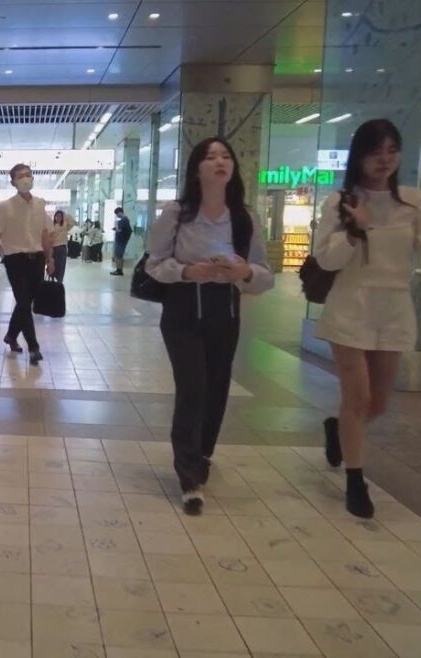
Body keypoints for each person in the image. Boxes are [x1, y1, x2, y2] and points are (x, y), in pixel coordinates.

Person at [312, 119, 421, 519]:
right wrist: (355, 231)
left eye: (391, 150)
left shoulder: (414, 203)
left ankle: (338, 429)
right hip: (350, 306)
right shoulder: (340, 202)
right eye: (375, 151)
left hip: (394, 307)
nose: (384, 159)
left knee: (379, 403)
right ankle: (355, 480)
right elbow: (326, 258)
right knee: (359, 397)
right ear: (360, 156)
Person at [145, 137, 274, 516]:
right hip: (183, 309)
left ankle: (201, 456)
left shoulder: (244, 216)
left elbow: (265, 275)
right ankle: (189, 476)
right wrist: (188, 271)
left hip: (225, 310)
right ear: (197, 168)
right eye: (210, 156)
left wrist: (244, 271)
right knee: (193, 388)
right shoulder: (177, 213)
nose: (220, 161)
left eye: (226, 156)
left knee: (217, 389)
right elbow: (154, 263)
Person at [0, 164, 54, 366]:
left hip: (36, 259)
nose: (26, 178)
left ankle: (11, 336)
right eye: (20, 176)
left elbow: (45, 234)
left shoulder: (40, 204)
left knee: (25, 303)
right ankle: (34, 347)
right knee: (22, 302)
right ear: (12, 182)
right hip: (15, 260)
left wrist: (50, 258)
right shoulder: (4, 207)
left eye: (28, 175)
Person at [49, 210, 76, 283]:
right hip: (53, 248)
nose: (58, 218)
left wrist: (65, 214)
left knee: (61, 266)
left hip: (62, 248)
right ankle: (52, 280)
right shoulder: (52, 225)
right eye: (56, 216)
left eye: (60, 216)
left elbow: (73, 221)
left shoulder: (65, 225)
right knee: (53, 265)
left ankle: (59, 281)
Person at [111, 206, 133, 276]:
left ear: (120, 212)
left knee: (119, 255)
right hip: (120, 240)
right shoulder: (124, 220)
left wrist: (116, 225)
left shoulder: (124, 220)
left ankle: (119, 270)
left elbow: (119, 230)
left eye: (117, 214)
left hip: (121, 241)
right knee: (118, 255)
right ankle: (118, 269)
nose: (117, 216)